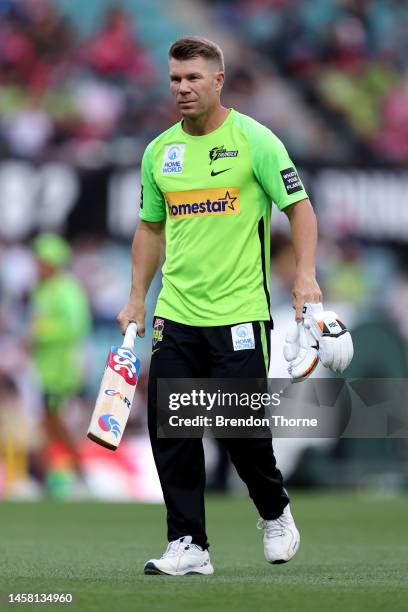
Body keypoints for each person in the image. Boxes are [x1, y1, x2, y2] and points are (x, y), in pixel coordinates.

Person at [117, 36, 322, 576]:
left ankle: (275, 510)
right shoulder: (159, 151)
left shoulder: (255, 140)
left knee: (240, 432)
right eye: (174, 79)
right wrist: (137, 297)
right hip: (176, 314)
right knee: (172, 430)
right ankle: (189, 544)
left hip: (238, 313)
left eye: (192, 79)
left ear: (218, 81)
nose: (182, 88)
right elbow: (149, 227)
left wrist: (303, 276)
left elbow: (299, 209)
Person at [29, 233, 91, 491]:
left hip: (61, 369)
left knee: (51, 422)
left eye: (42, 261)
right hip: (43, 368)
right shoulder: (42, 290)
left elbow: (76, 326)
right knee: (47, 421)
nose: (38, 266)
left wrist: (41, 332)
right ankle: (57, 476)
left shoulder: (67, 290)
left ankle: (73, 474)